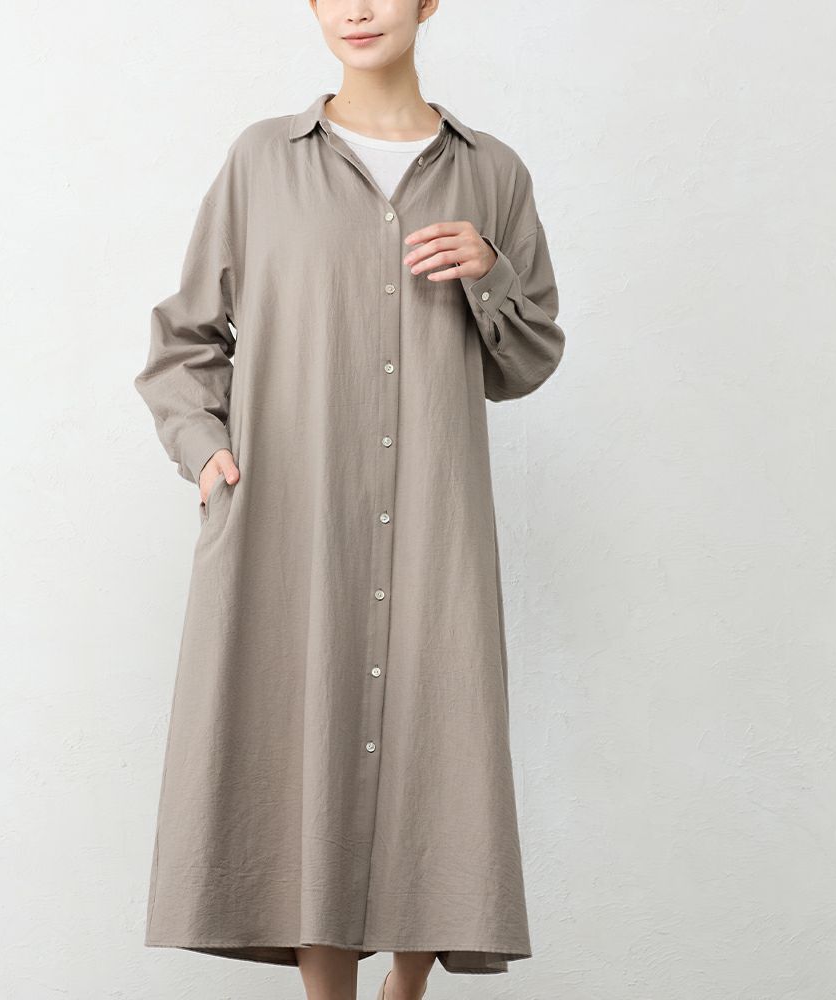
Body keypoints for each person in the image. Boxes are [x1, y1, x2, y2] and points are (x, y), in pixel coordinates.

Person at [132, 3, 566, 999]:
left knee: (438, 727)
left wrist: (490, 275)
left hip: (436, 523)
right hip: (292, 516)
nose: (358, 8)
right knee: (305, 739)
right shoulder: (261, 162)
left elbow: (528, 358)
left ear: (428, 2)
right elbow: (184, 338)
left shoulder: (493, 173)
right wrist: (206, 451)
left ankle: (406, 986)